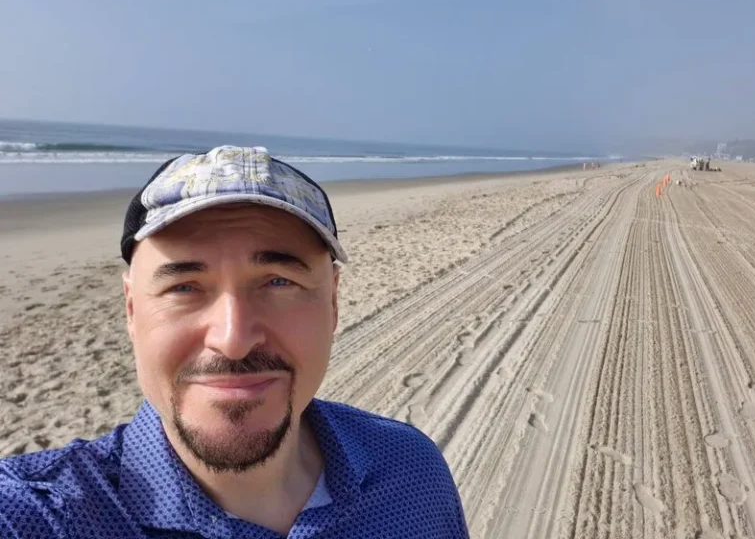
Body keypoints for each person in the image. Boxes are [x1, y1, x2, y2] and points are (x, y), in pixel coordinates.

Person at [0, 146, 469, 538]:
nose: (233, 340)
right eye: (184, 287)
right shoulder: (40, 515)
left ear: (332, 302)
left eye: (279, 282)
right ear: (131, 310)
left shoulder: (411, 470)